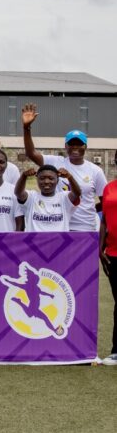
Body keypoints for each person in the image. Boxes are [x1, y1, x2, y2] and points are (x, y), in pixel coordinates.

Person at [22, 103, 106, 232]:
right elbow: (31, 153)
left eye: (79, 144)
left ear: (85, 147)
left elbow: (105, 201)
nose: (75, 147)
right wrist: (26, 128)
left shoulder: (96, 171)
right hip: (58, 226)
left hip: (84, 227)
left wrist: (90, 208)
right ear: (65, 146)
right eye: (71, 144)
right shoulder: (56, 162)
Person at [14, 165, 80, 232]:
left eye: (51, 178)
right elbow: (18, 193)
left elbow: (77, 193)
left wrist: (70, 177)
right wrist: (24, 176)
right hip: (35, 239)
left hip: (59, 239)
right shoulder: (32, 197)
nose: (46, 181)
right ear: (37, 180)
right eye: (42, 178)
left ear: (57, 180)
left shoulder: (64, 197)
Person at [99, 150, 117, 365]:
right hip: (113, 254)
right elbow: (104, 220)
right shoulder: (109, 188)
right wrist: (100, 247)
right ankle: (116, 351)